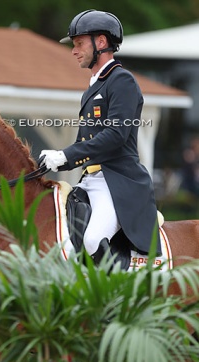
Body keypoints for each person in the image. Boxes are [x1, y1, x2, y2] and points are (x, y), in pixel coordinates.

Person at [40, 9, 161, 264]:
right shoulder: (93, 87)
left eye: (79, 43)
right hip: (91, 179)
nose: (74, 50)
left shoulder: (121, 81)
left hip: (117, 181)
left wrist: (65, 154)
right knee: (57, 234)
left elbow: (116, 134)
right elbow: (86, 144)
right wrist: (58, 161)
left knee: (93, 239)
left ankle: (117, 300)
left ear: (102, 42)